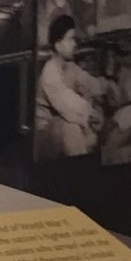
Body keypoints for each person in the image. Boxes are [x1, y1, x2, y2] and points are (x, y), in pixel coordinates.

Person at [35, 14, 109, 158]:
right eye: (70, 39)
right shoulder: (50, 71)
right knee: (70, 127)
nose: (74, 44)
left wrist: (107, 86)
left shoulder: (69, 67)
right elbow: (65, 100)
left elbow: (88, 82)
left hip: (61, 123)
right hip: (43, 132)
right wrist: (91, 113)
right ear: (58, 45)